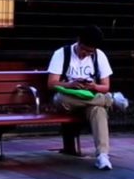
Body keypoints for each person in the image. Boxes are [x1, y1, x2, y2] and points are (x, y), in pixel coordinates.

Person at [47, 25, 129, 170]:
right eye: (84, 50)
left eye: (90, 52)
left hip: (89, 97)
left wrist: (93, 86)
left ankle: (102, 155)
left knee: (98, 110)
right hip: (67, 100)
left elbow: (105, 86)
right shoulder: (62, 54)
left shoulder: (99, 56)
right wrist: (70, 84)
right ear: (78, 41)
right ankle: (110, 100)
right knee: (62, 98)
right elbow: (51, 84)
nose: (85, 54)